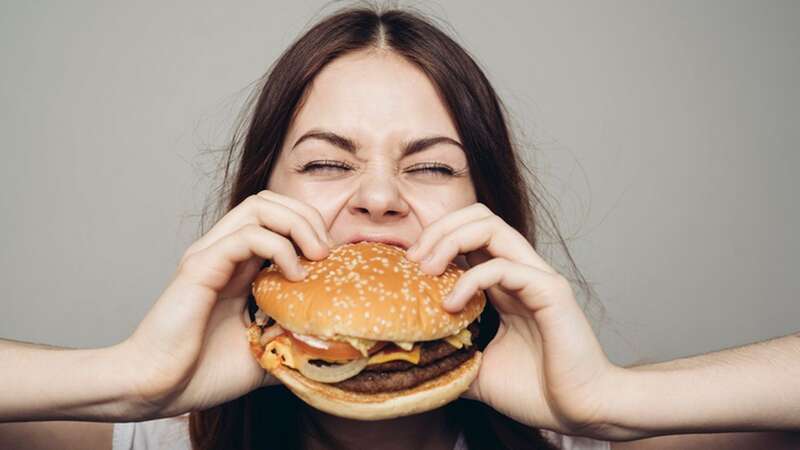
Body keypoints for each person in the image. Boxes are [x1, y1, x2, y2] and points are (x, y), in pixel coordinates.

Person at [1, 4, 799, 450]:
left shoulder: (592, 432)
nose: (378, 198)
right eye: (323, 163)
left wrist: (615, 400)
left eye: (430, 166)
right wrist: (127, 377)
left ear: (491, 220)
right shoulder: (148, 441)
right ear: (255, 206)